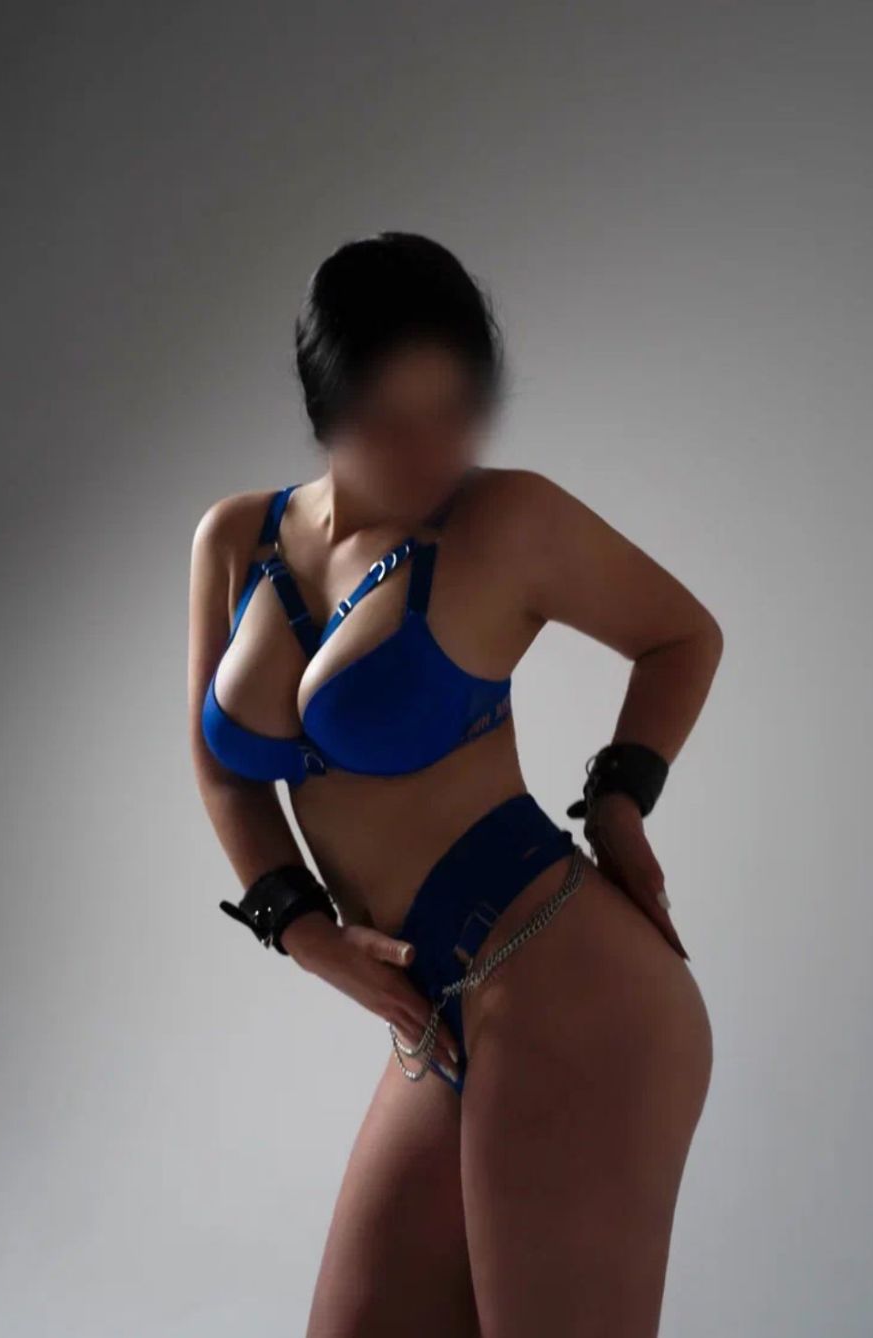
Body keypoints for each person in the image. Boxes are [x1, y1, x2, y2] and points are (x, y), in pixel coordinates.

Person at [187, 231, 722, 1337]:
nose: (433, 451)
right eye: (394, 419)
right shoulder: (236, 537)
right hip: (436, 1013)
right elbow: (224, 770)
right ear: (327, 406)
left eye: (457, 414)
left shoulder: (506, 521)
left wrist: (618, 797)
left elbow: (682, 635)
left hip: (569, 991)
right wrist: (300, 928)